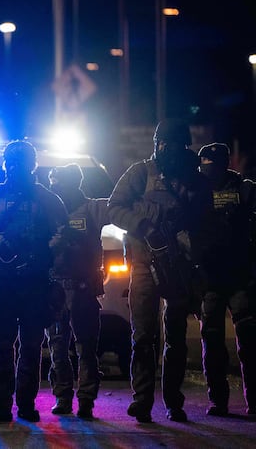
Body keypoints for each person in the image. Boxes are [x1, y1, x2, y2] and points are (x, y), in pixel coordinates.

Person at [108, 119, 213, 423]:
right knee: (143, 335)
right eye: (161, 144)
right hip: (144, 263)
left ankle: (173, 401)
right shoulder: (141, 172)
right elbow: (114, 206)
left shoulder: (194, 179)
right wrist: (144, 226)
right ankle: (142, 400)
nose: (164, 150)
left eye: (170, 145)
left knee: (175, 337)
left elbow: (204, 221)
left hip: (179, 265)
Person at [0, 140, 68, 423]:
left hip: (35, 282)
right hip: (2, 282)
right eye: (12, 163)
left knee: (32, 346)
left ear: (32, 165)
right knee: (2, 346)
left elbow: (65, 233)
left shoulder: (47, 198)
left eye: (21, 163)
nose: (16, 169)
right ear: (5, 165)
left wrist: (51, 248)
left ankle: (25, 404)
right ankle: (2, 403)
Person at [45, 163, 110, 419]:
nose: (55, 187)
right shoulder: (49, 211)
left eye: (59, 182)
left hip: (83, 288)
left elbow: (119, 207)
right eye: (53, 183)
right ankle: (62, 396)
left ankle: (85, 399)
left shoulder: (93, 208)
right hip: (55, 287)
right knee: (58, 346)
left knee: (85, 347)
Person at [197, 142, 256, 416]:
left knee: (248, 340)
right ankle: (218, 400)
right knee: (212, 341)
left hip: (239, 276)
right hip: (210, 278)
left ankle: (253, 400)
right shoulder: (194, 190)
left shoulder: (245, 190)